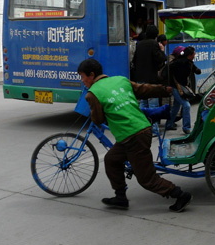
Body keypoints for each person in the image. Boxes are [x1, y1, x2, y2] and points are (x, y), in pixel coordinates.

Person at [77, 58, 192, 211]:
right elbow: (144, 90)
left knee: (146, 179)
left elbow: (97, 119)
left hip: (133, 136)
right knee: (111, 160)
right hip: (136, 132)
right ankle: (120, 197)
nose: (82, 80)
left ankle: (179, 194)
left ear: (91, 75)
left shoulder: (92, 94)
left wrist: (101, 110)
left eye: (82, 76)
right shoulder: (120, 80)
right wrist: (165, 89)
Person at [168, 46, 201, 134]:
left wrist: (197, 70)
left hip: (181, 86)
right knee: (186, 105)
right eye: (194, 54)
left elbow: (196, 70)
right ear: (190, 55)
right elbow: (169, 70)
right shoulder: (178, 62)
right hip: (176, 87)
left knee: (176, 106)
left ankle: (169, 124)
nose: (195, 55)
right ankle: (186, 127)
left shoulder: (189, 62)